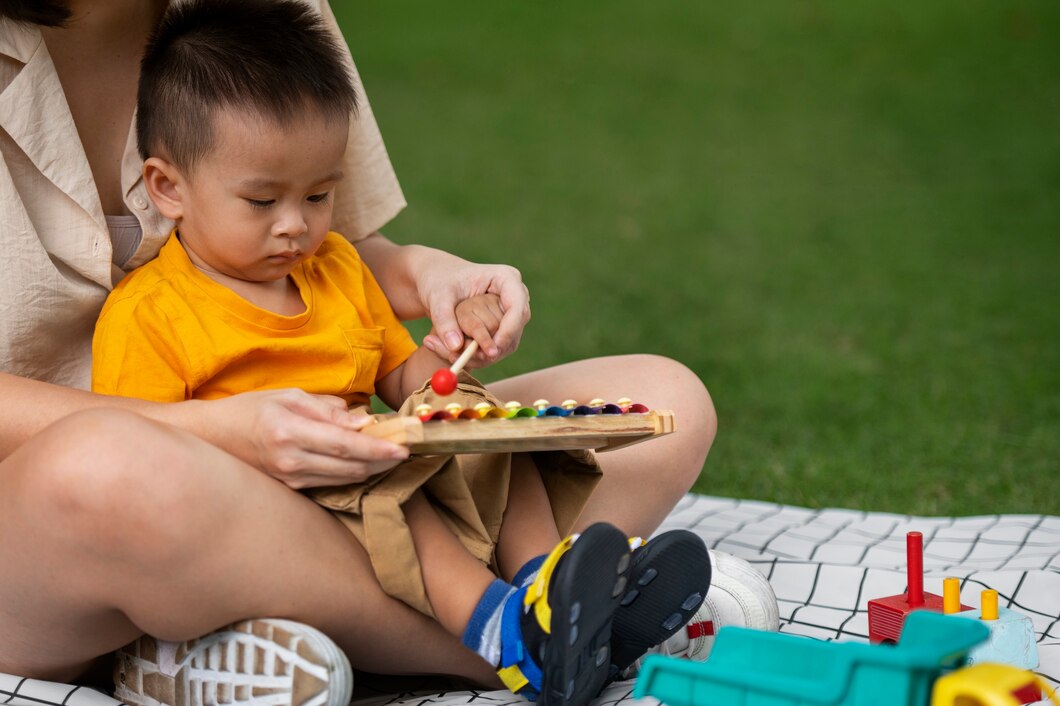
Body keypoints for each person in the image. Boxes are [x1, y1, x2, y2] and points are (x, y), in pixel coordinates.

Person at [0, 0, 734, 703]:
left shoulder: (327, 259)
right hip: (139, 504)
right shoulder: (155, 311)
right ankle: (516, 648)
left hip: (346, 463)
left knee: (650, 402)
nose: (297, 226)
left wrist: (443, 326)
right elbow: (136, 432)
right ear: (169, 187)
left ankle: (553, 588)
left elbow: (392, 347)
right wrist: (243, 436)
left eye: (317, 198)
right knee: (112, 471)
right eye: (263, 204)